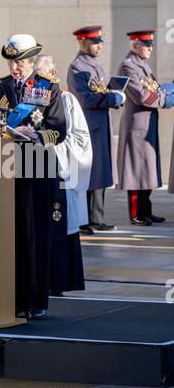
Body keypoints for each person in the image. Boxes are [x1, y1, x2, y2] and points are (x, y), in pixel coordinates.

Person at [0, 34, 67, 319]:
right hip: (10, 167)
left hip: (38, 164)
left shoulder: (48, 87)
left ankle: (37, 300)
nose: (15, 67)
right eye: (12, 61)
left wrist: (35, 134)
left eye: (20, 61)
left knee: (37, 234)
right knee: (13, 234)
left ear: (33, 62)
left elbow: (59, 129)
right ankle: (15, 298)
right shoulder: (2, 86)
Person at [34, 54, 92, 294]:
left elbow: (80, 138)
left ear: (53, 75)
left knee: (58, 224)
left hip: (59, 170)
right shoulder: (26, 101)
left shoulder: (66, 100)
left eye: (41, 77)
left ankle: (59, 281)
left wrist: (51, 144)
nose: (38, 84)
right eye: (35, 78)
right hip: (33, 169)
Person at [67, 25, 125, 234]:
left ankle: (96, 218)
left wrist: (116, 96)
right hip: (89, 125)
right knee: (89, 174)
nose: (99, 46)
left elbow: (101, 92)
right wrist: (111, 97)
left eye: (100, 42)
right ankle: (85, 219)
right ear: (83, 43)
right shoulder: (77, 67)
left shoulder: (95, 66)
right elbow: (85, 98)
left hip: (101, 124)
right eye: (95, 43)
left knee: (100, 172)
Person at [116, 30, 174, 225]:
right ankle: (136, 214)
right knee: (135, 171)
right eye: (146, 45)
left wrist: (167, 89)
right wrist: (166, 100)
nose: (150, 48)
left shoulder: (142, 65)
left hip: (146, 124)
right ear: (135, 45)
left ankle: (146, 211)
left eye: (151, 45)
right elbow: (142, 96)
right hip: (136, 126)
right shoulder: (128, 66)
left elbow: (154, 89)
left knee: (146, 170)